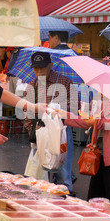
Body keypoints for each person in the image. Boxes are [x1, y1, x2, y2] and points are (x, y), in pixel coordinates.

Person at [23, 51, 76, 192]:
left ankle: (66, 196)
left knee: (63, 170)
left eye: (42, 68)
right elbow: (27, 111)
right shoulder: (31, 86)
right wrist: (31, 132)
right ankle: (43, 200)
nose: (39, 71)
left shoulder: (64, 82)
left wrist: (58, 108)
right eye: (36, 68)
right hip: (40, 131)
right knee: (40, 170)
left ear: (50, 66)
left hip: (61, 131)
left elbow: (75, 107)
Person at [47, 30, 78, 188]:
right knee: (64, 153)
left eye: (50, 38)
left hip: (58, 117)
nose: (49, 41)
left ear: (56, 38)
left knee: (55, 154)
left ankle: (64, 186)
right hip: (64, 117)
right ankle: (65, 182)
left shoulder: (54, 56)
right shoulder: (75, 56)